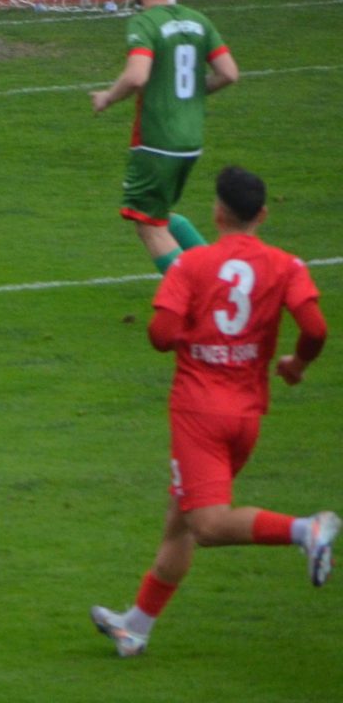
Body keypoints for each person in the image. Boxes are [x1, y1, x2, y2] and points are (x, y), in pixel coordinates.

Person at [91, 165, 336, 656]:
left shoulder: (192, 265)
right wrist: (296, 364)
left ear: (218, 212)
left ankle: (306, 530)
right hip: (246, 415)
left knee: (206, 525)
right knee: (179, 521)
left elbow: (161, 336)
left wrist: (194, 329)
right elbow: (315, 328)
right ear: (262, 215)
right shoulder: (286, 265)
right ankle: (135, 627)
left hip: (198, 414)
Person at [91, 0, 238, 274]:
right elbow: (229, 73)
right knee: (161, 216)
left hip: (157, 142)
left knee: (148, 225)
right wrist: (193, 91)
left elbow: (137, 76)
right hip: (191, 140)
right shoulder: (198, 20)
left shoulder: (145, 23)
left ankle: (201, 292)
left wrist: (107, 98)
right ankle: (218, 275)